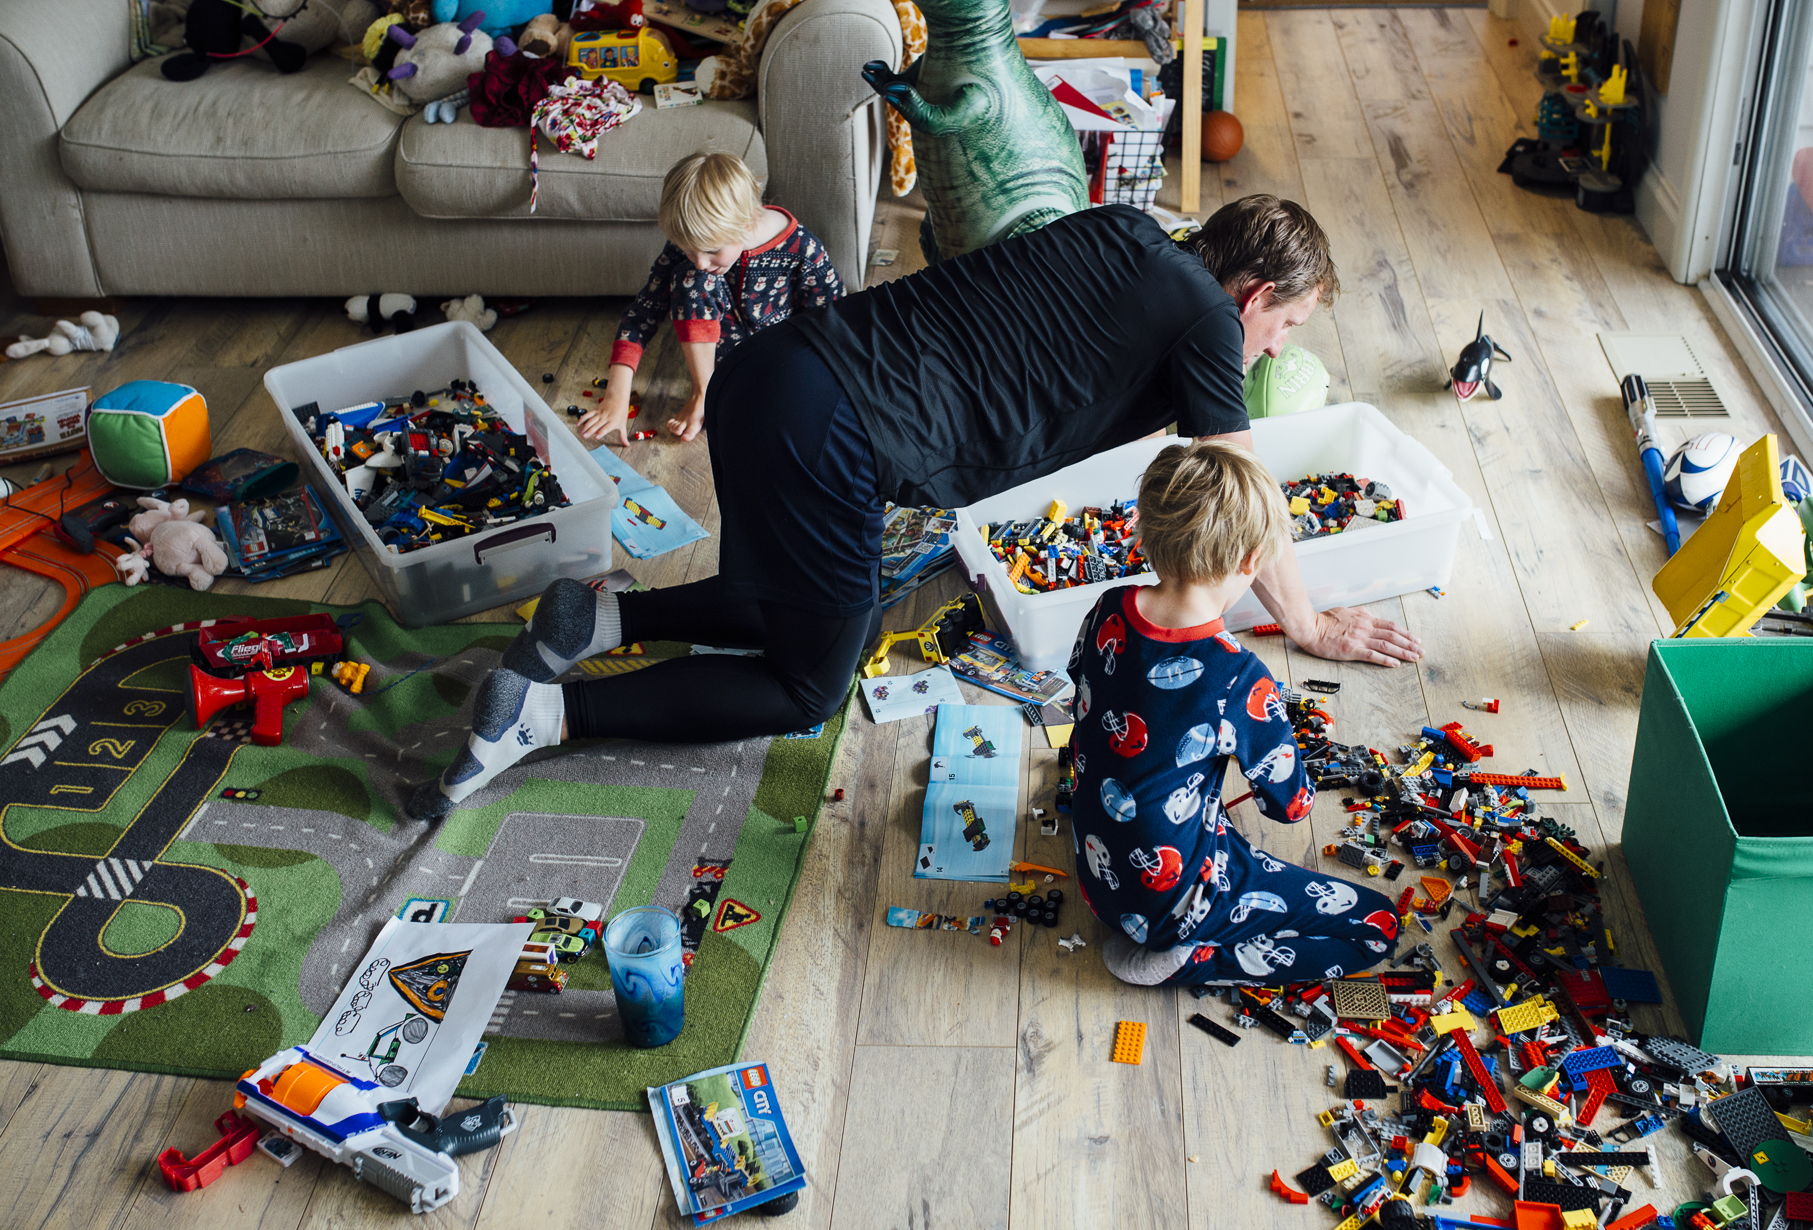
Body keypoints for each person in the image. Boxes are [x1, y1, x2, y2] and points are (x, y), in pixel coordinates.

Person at [406, 194, 1423, 819]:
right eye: (1284, 323)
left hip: (775, 376)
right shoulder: (1209, 320)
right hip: (835, 434)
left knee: (810, 589)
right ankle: (543, 716)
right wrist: (1310, 621)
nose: (1279, 347)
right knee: (809, 686)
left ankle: (607, 614)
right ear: (1250, 295)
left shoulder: (1128, 228)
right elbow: (1241, 497)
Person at [1067, 441, 1402, 986]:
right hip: (1171, 907)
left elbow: (1083, 694)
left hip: (1096, 870)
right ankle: (1191, 960)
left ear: (1147, 535)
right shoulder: (1238, 676)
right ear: (1250, 561)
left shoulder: (1108, 608)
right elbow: (1289, 806)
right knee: (1378, 925)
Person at [579, 151, 842, 446]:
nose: (701, 261)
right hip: (721, 366)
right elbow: (642, 313)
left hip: (780, 358)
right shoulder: (696, 250)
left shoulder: (803, 249)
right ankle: (704, 391)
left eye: (712, 250)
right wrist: (616, 396)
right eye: (690, 250)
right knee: (691, 277)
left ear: (746, 222)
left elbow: (832, 318)